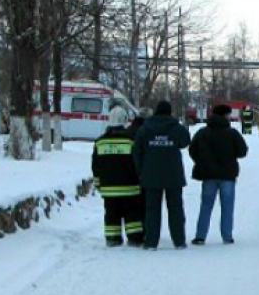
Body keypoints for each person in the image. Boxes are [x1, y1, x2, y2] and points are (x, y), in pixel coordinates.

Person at [133, 100, 191, 250]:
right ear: (170, 112)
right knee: (176, 208)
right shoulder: (175, 128)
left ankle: (151, 242)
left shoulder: (145, 128)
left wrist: (141, 171)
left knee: (152, 210)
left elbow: (137, 151)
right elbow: (186, 141)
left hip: (151, 175)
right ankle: (179, 241)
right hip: (173, 175)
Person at [189, 104, 248, 245]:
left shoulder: (202, 133)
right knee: (227, 207)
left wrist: (201, 162)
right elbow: (242, 152)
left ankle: (200, 236)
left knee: (206, 206)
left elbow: (192, 150)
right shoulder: (232, 133)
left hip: (208, 175)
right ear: (225, 116)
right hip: (228, 175)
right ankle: (227, 236)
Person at [92, 109, 143, 247]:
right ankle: (134, 238)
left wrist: (98, 184)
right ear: (124, 121)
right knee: (132, 215)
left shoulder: (99, 142)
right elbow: (137, 163)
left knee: (111, 214)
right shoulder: (131, 141)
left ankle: (112, 238)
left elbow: (96, 167)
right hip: (130, 188)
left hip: (109, 189)